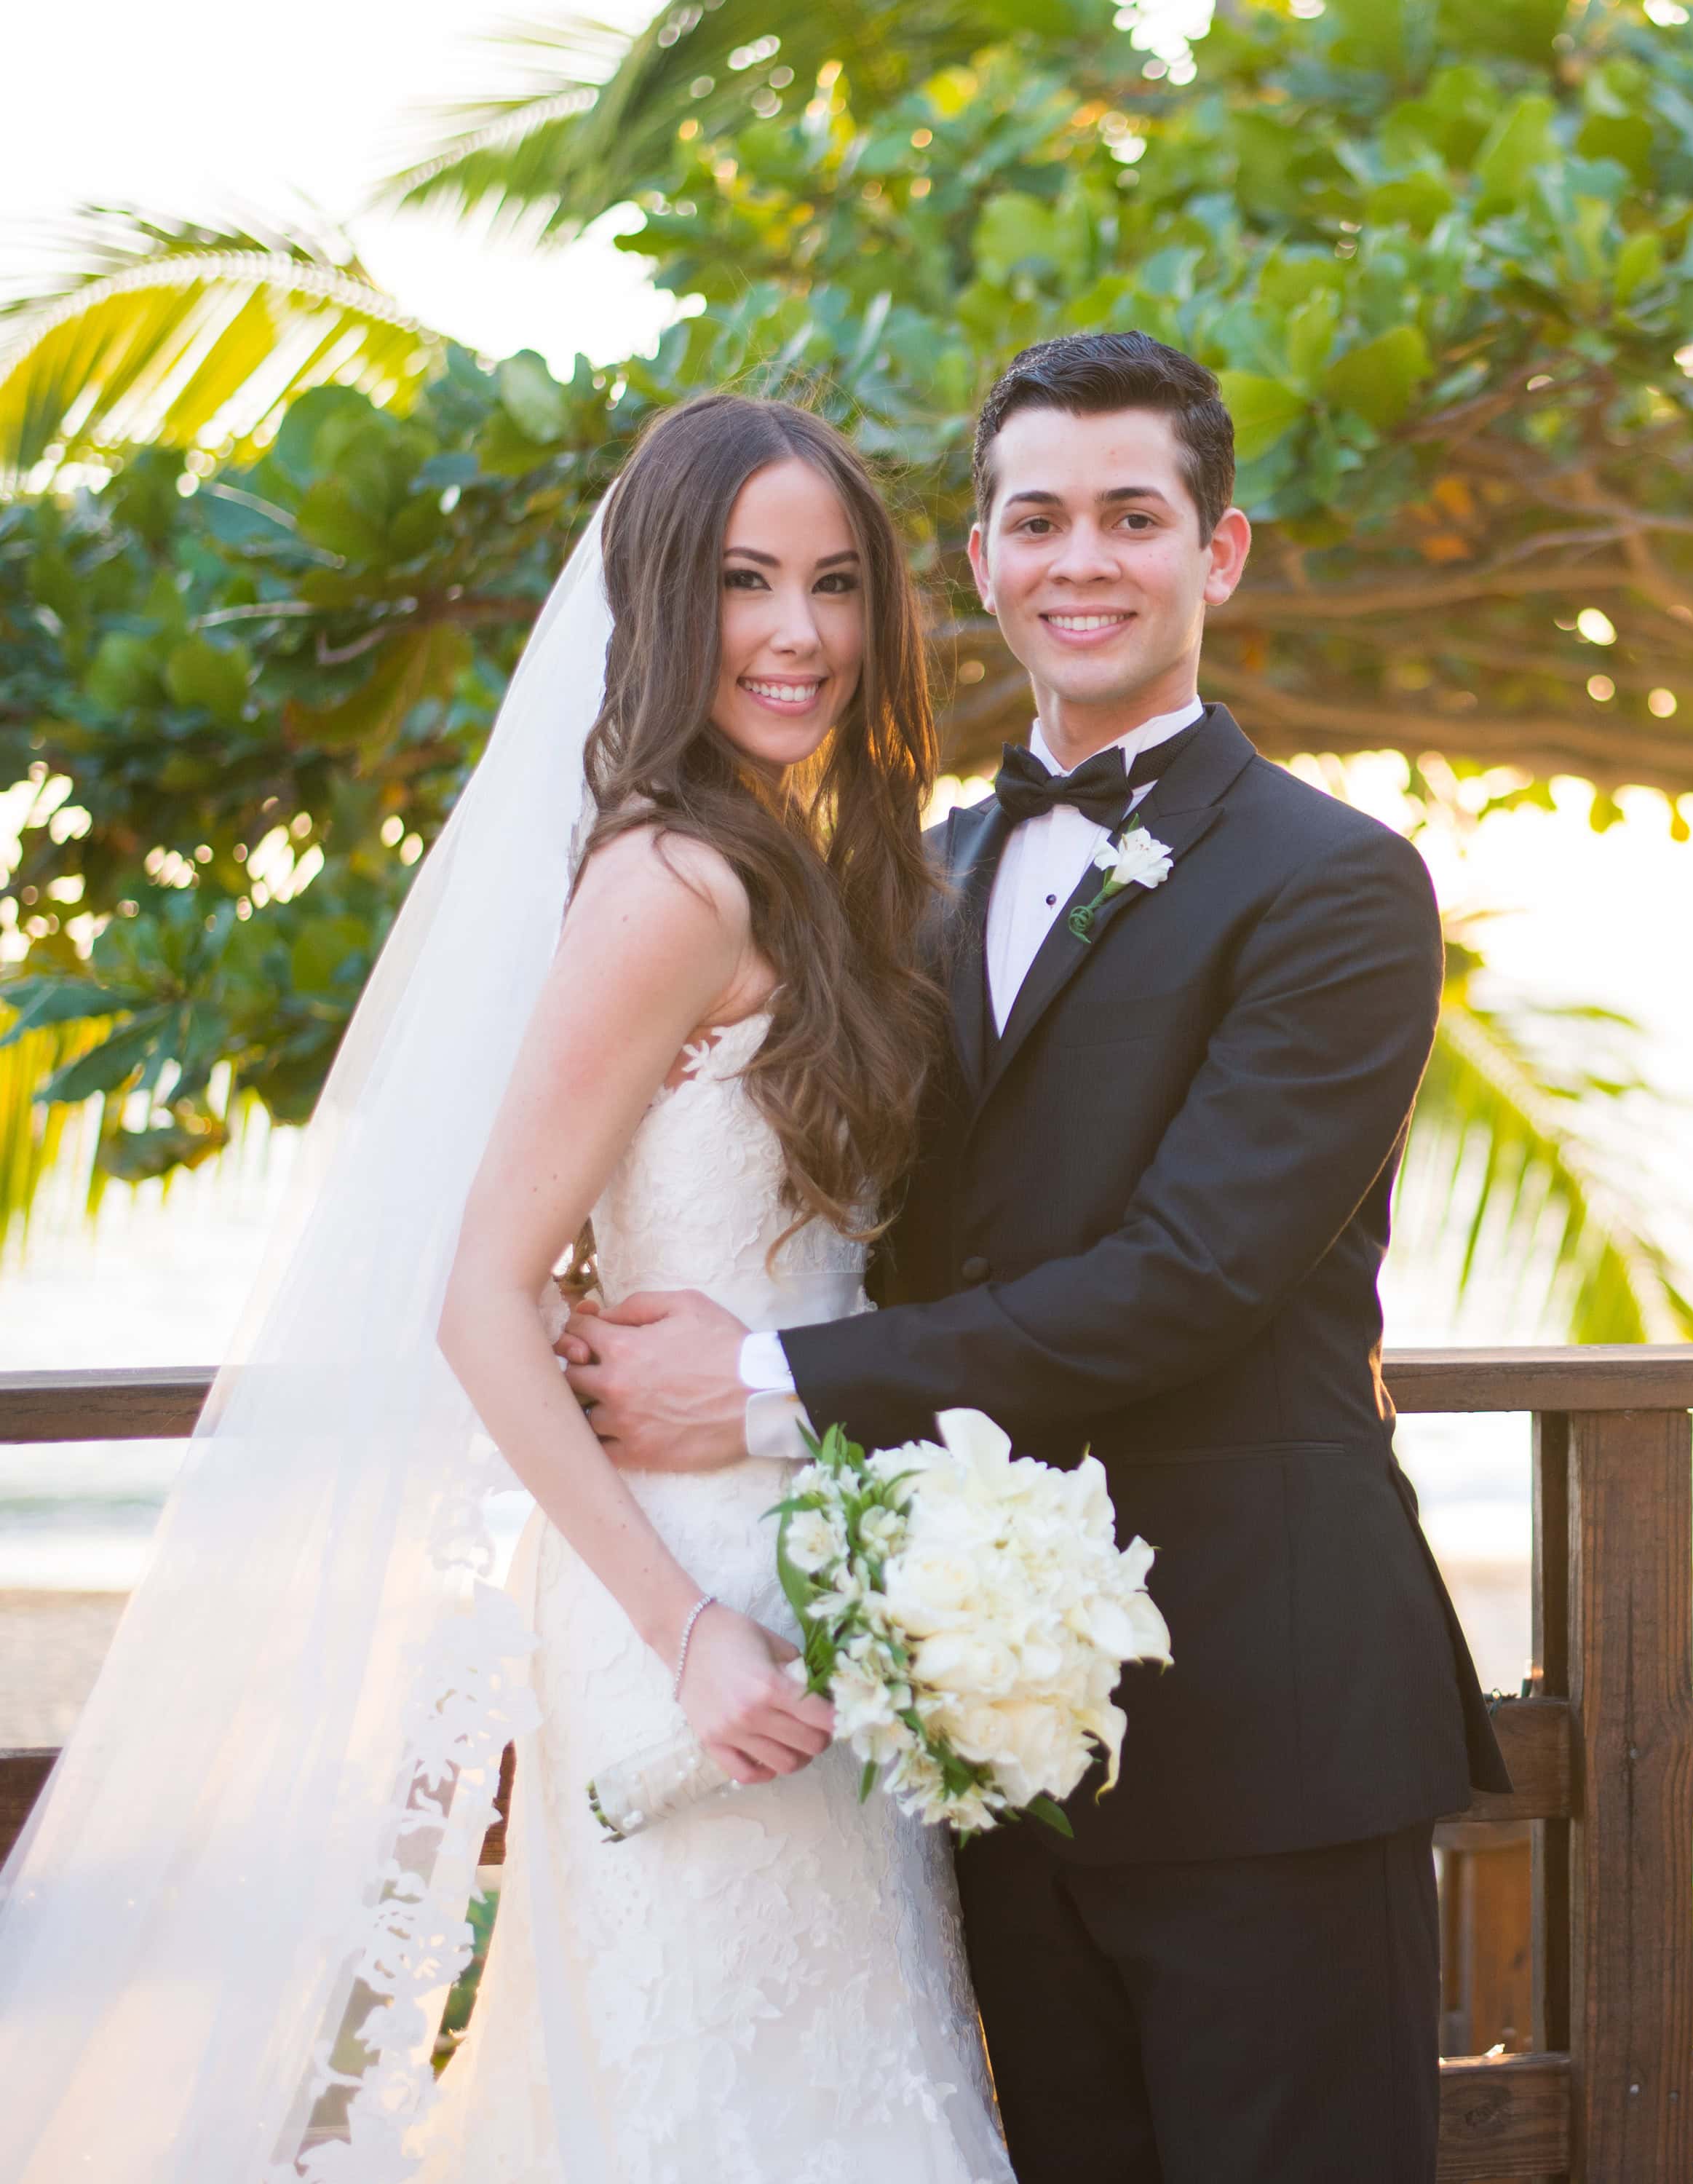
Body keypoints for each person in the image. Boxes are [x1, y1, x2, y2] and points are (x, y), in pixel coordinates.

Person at [0, 395, 1008, 2179]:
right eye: (745, 582)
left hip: (823, 1558)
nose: (799, 634)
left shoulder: (810, 868)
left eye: (837, 585)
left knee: (845, 2074)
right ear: (660, 604)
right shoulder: (674, 880)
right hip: (686, 1595)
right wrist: (685, 1633)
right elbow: (478, 1292)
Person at [563, 333, 1512, 2183]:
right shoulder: (902, 882)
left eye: (1132, 517)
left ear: (1217, 554)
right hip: (975, 1737)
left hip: (1268, 1718)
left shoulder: (1333, 885)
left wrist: (759, 1386)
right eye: (1039, 519)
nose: (1084, 560)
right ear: (982, 561)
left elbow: (1193, 1274)